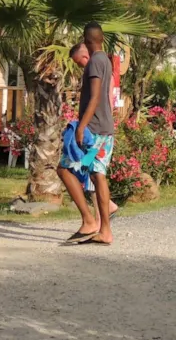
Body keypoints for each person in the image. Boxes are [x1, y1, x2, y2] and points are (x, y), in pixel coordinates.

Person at [56, 23, 116, 246]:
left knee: (64, 169)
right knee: (96, 174)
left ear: (86, 40)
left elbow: (95, 97)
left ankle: (89, 221)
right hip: (104, 130)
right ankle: (105, 231)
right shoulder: (105, 60)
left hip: (93, 131)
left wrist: (81, 127)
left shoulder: (94, 63)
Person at [66, 42, 118, 225]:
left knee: (91, 174)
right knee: (92, 173)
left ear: (85, 56)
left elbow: (101, 100)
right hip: (99, 129)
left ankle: (98, 218)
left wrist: (82, 127)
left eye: (79, 62)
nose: (80, 66)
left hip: (97, 130)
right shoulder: (101, 68)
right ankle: (102, 216)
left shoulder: (97, 69)